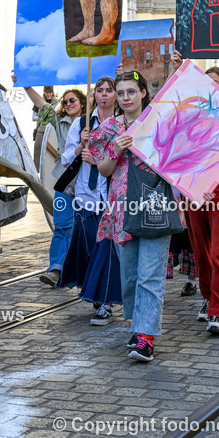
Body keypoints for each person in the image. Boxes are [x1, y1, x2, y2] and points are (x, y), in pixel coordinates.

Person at [93, 71, 171, 362]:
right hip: (120, 209)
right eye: (121, 92)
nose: (126, 98)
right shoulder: (108, 128)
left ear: (142, 94)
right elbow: (104, 170)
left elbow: (179, 159)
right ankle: (139, 325)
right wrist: (114, 151)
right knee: (130, 277)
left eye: (131, 92)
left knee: (150, 275)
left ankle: (145, 337)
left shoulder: (158, 123)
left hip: (154, 206)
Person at [57, 77, 121, 325]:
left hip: (111, 196)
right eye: (100, 91)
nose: (104, 95)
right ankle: (97, 295)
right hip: (87, 196)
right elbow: (64, 160)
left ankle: (105, 301)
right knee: (90, 248)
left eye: (109, 91)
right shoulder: (81, 124)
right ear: (94, 95)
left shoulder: (120, 124)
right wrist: (79, 147)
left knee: (106, 249)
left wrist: (100, 160)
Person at [185, 67, 219, 335]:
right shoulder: (188, 114)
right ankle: (208, 294)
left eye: (217, 84)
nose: (211, 87)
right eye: (206, 82)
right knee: (200, 249)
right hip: (193, 185)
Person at [38, 88, 86, 286]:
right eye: (65, 102)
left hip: (88, 182)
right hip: (65, 181)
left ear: (82, 102)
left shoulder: (94, 121)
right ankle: (56, 269)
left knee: (86, 228)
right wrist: (25, 86)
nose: (68, 104)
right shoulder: (60, 122)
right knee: (62, 225)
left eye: (72, 100)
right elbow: (43, 106)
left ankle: (83, 271)